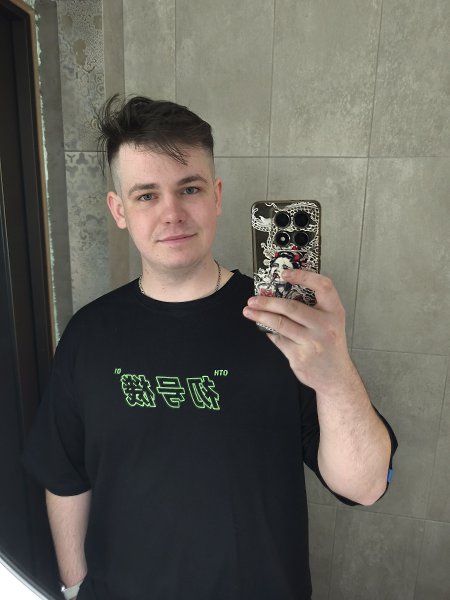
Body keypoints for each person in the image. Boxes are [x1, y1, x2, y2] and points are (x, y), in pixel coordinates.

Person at [23, 95, 397, 600]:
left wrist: (335, 372)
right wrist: (74, 587)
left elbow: (366, 486)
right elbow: (65, 477)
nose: (172, 213)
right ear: (118, 210)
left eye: (190, 188)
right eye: (146, 195)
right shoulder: (88, 334)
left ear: (216, 196)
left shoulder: (284, 325)